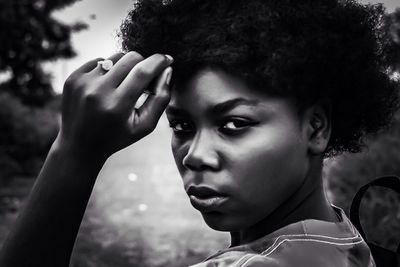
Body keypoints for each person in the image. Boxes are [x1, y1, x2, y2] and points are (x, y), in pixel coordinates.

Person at [0, 0, 398, 266]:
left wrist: (74, 154)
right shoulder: (340, 236)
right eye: (182, 126)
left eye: (233, 125)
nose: (194, 155)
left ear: (316, 127)